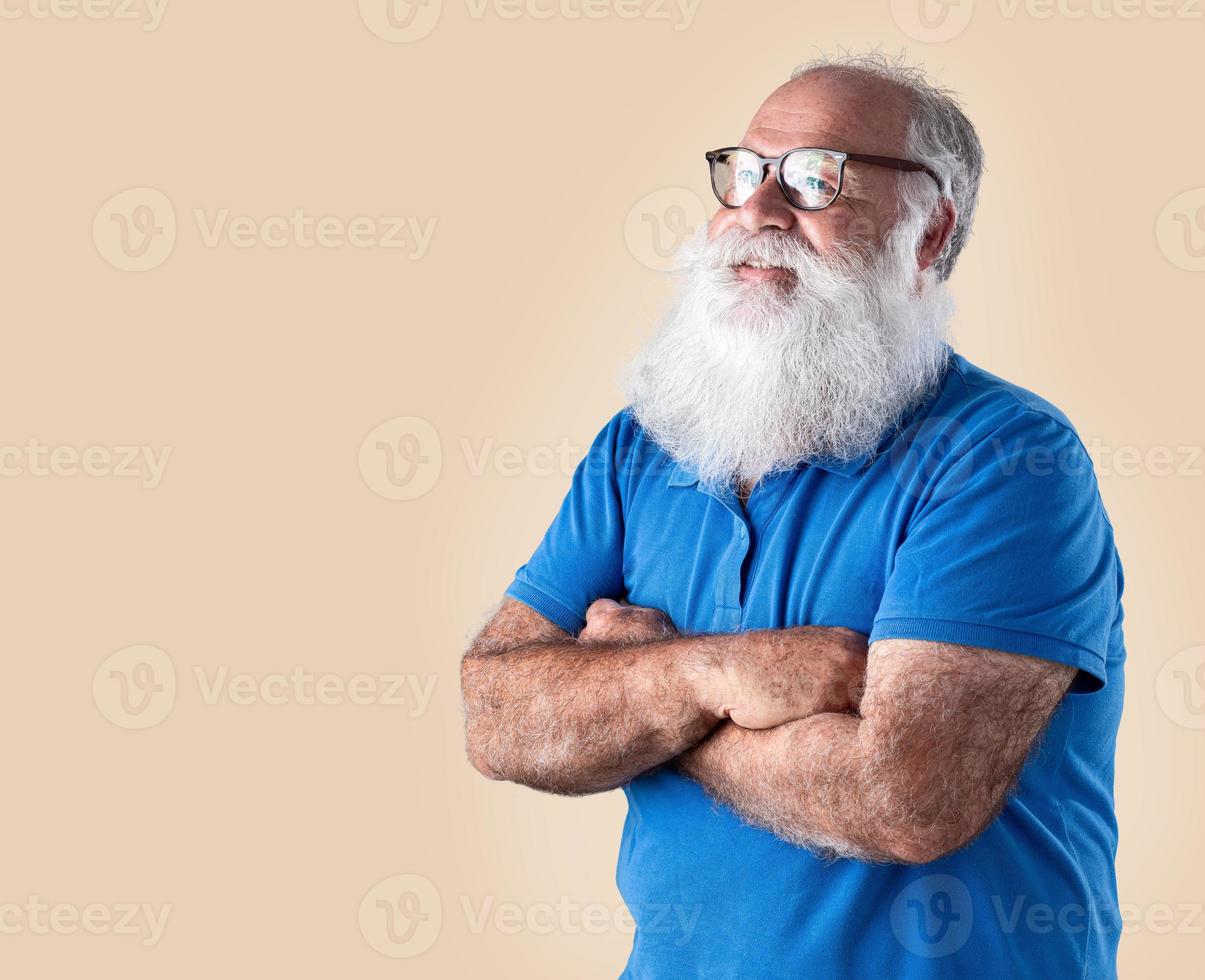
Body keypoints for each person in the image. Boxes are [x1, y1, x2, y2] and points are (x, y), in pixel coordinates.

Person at [461, 51, 1125, 979]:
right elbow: (496, 718)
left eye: (818, 180)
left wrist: (632, 695)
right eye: (746, 172)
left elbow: (904, 798)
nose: (759, 214)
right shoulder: (640, 445)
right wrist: (707, 677)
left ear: (929, 234)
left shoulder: (1007, 460)